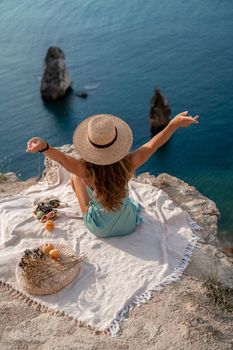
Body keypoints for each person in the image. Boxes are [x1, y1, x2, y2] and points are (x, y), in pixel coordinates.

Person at [26, 111, 199, 238]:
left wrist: (43, 146)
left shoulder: (85, 170)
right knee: (125, 201)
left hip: (99, 228)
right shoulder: (128, 164)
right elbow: (154, 143)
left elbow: (62, 158)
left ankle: (89, 210)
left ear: (90, 145)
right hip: (129, 224)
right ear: (117, 142)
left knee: (75, 177)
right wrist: (173, 124)